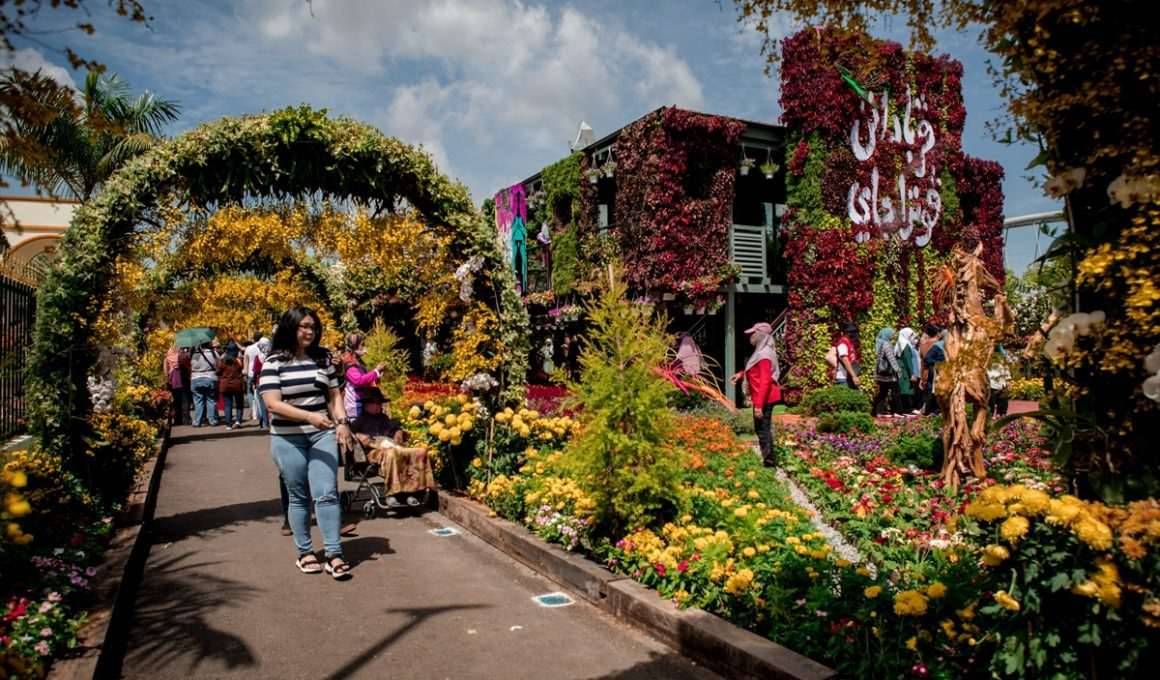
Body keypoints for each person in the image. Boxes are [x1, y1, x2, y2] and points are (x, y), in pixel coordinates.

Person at [259, 307, 355, 579]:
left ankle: (334, 554)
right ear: (290, 328)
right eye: (303, 326)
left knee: (326, 492)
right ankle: (305, 553)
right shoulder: (274, 362)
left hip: (321, 435)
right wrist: (308, 416)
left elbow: (334, 396)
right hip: (287, 438)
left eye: (312, 326)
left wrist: (342, 423)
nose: (309, 331)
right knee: (299, 495)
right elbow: (272, 404)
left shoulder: (323, 358)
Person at [351, 389, 435, 508]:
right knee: (392, 454)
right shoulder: (359, 421)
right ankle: (393, 493)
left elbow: (395, 429)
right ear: (366, 405)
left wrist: (398, 432)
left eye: (379, 403)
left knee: (419, 452)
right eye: (374, 403)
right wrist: (358, 436)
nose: (378, 406)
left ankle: (414, 491)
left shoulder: (384, 418)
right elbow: (349, 434)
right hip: (372, 452)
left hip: (391, 446)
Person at [731, 322, 781, 467]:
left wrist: (758, 406)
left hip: (765, 397)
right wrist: (740, 374)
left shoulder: (764, 355)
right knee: (762, 428)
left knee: (762, 429)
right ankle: (769, 458)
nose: (750, 336)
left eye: (753, 333)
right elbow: (755, 371)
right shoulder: (761, 352)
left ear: (760, 335)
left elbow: (765, 381)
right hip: (763, 396)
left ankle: (769, 462)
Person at [341, 333, 385, 419]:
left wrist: (377, 377)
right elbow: (358, 381)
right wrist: (376, 371)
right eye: (362, 344)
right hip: (354, 408)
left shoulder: (359, 363)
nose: (364, 347)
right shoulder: (350, 363)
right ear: (354, 346)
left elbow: (365, 381)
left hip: (363, 405)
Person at [189, 340, 220, 427]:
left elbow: (190, 364)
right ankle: (212, 420)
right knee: (211, 400)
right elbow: (219, 365)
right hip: (210, 377)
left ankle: (197, 421)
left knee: (198, 401)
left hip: (195, 377)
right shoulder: (213, 353)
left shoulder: (194, 354)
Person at [872, 327, 901, 418]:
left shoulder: (880, 343)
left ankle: (877, 411)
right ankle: (896, 411)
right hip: (889, 374)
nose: (893, 336)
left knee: (882, 393)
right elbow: (891, 359)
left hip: (881, 374)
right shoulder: (887, 344)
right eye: (891, 334)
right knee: (895, 391)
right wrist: (898, 370)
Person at [217, 341, 246, 429]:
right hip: (237, 384)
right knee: (239, 403)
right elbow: (242, 369)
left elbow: (218, 372)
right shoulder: (238, 360)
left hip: (225, 385)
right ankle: (238, 421)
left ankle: (228, 424)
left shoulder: (223, 361)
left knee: (227, 405)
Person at [895, 327, 922, 415]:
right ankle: (907, 409)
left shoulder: (901, 343)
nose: (911, 337)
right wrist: (912, 373)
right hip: (904, 370)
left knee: (904, 389)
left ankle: (904, 409)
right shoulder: (905, 345)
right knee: (906, 389)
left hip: (902, 369)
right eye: (910, 335)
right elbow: (908, 360)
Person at [921, 327, 947, 415]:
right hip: (936, 371)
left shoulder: (951, 346)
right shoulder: (937, 346)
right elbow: (927, 358)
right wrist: (938, 363)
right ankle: (930, 410)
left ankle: (939, 409)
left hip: (945, 372)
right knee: (932, 390)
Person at [243, 331, 267, 422]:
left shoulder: (249, 348)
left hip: (251, 372)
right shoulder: (264, 347)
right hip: (261, 372)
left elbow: (246, 361)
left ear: (254, 338)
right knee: (262, 394)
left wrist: (245, 372)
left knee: (250, 392)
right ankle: (262, 412)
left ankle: (253, 410)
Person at [828, 323, 860, 389]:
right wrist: (854, 376)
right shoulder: (842, 344)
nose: (853, 334)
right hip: (843, 379)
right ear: (846, 333)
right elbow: (845, 359)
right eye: (851, 332)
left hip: (848, 377)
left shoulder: (849, 343)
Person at [163, 345, 189, 426]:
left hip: (173, 380)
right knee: (185, 399)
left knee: (175, 401)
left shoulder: (167, 358)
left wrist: (167, 380)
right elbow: (188, 366)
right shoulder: (181, 357)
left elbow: (165, 371)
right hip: (183, 378)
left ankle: (177, 419)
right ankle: (186, 419)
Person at [251, 337, 271, 430]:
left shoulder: (258, 357)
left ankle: (265, 423)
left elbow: (255, 371)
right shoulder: (271, 357)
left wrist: (254, 382)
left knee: (262, 404)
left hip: (260, 381)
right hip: (271, 381)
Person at [987, 348, 1013, 417]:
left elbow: (1007, 375)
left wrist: (1009, 384)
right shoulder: (988, 364)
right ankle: (991, 415)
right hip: (991, 386)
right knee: (991, 403)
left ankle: (1001, 415)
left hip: (1002, 386)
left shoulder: (1003, 364)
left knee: (1003, 402)